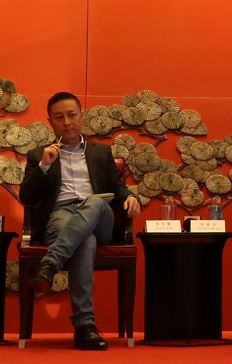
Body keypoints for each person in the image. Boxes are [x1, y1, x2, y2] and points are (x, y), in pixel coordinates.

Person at [20, 92, 141, 350]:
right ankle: (85, 327)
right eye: (59, 117)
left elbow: (116, 187)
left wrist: (131, 197)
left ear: (81, 116)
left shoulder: (101, 152)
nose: (67, 122)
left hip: (100, 216)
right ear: (50, 122)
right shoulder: (39, 154)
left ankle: (50, 263)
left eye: (71, 115)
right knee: (85, 241)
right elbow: (27, 197)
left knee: (95, 202)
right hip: (61, 215)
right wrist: (44, 166)